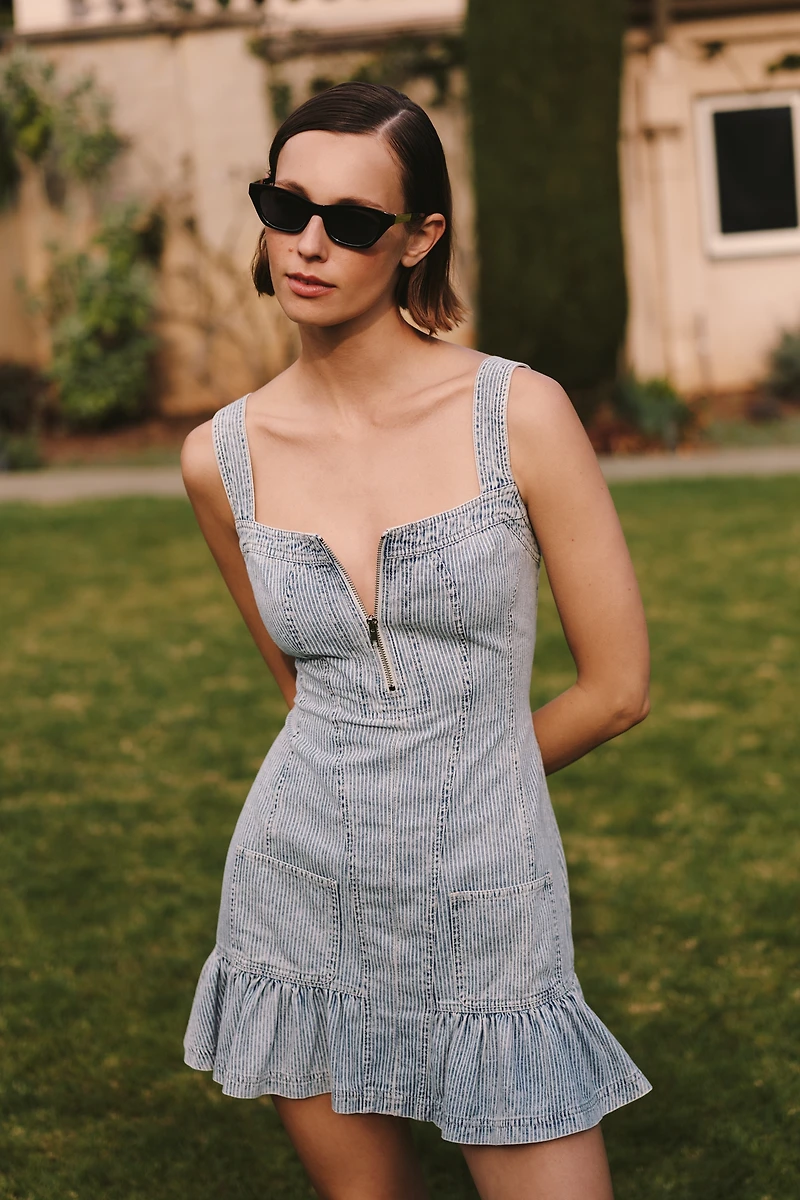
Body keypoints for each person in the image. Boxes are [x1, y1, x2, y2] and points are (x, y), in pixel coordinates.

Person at [180, 81, 652, 1200]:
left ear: (418, 237)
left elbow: (617, 689)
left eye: (351, 221)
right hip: (298, 880)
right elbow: (303, 693)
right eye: (285, 206)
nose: (308, 244)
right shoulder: (220, 458)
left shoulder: (516, 414)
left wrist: (464, 784)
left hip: (488, 880)